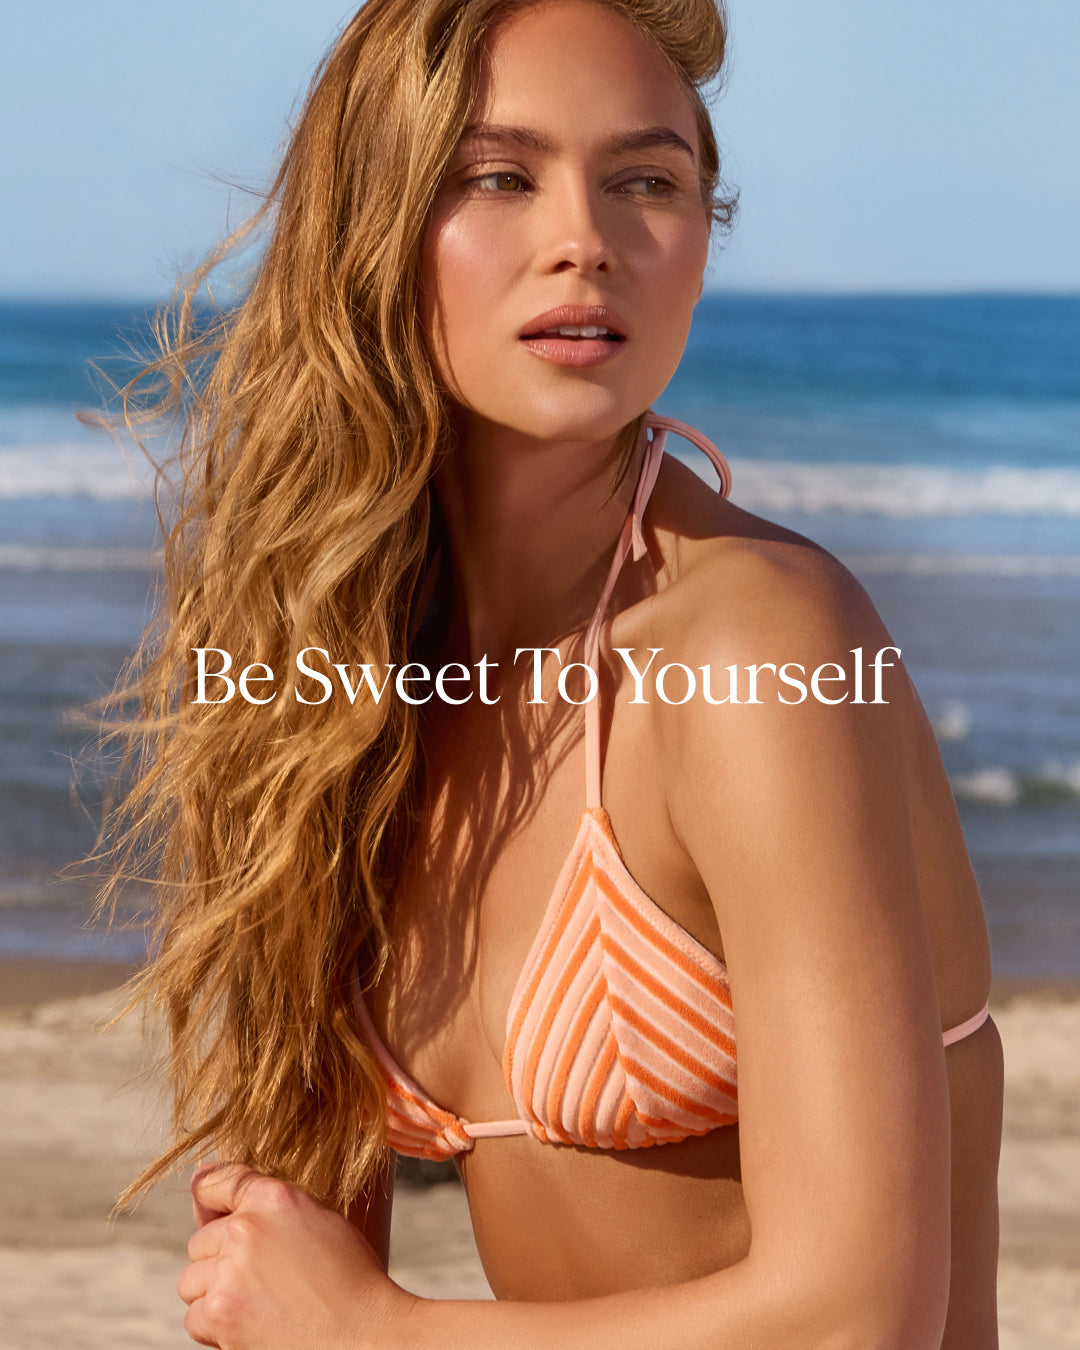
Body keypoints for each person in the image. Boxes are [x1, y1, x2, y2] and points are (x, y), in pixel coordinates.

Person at [97, 0, 1003, 1346]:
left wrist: (382, 1331)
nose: (586, 239)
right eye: (498, 177)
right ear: (375, 224)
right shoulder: (321, 676)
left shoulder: (762, 644)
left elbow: (856, 1315)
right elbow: (285, 1267)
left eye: (648, 180)